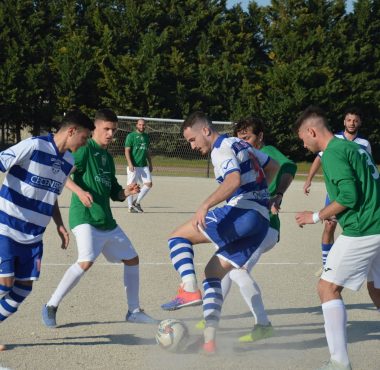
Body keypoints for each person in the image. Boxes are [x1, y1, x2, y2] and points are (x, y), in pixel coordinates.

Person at [161, 111, 279, 354]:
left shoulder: (220, 148)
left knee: (177, 237)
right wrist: (262, 196)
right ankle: (209, 341)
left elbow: (233, 180)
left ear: (205, 131)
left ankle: (189, 289)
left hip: (243, 213)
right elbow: (274, 166)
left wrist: (205, 204)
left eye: (192, 140)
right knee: (213, 272)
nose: (192, 146)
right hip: (261, 221)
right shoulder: (240, 143)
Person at [42, 109, 157, 327]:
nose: (111, 133)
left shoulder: (107, 158)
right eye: (106, 129)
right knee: (86, 260)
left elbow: (115, 193)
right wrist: (78, 191)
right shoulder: (84, 150)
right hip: (84, 217)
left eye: (114, 130)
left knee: (132, 259)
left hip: (106, 220)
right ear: (95, 128)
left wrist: (127, 192)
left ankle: (133, 311)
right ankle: (51, 305)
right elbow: (61, 174)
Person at [295, 106, 380, 370]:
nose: (304, 144)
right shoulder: (355, 149)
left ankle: (339, 362)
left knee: (327, 288)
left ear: (311, 131)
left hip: (364, 229)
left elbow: (348, 197)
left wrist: (316, 216)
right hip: (377, 223)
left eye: (302, 138)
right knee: (376, 288)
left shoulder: (333, 152)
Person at [0, 110, 94, 349]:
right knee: (5, 282)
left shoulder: (68, 161)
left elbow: (51, 194)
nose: (84, 143)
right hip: (7, 227)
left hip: (34, 236)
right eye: (84, 137)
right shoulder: (33, 145)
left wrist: (60, 225)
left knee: (24, 287)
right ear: (72, 131)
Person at [303, 108, 371, 276]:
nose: (352, 123)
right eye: (349, 120)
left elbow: (367, 167)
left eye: (355, 120)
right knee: (329, 224)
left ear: (359, 123)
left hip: (354, 192)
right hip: (338, 192)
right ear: (344, 122)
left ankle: (357, 263)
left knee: (355, 225)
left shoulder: (364, 143)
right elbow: (319, 158)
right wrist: (309, 179)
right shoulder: (334, 139)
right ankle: (327, 264)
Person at [124, 118, 153, 213]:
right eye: (140, 124)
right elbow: (127, 150)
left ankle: (136, 202)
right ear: (136, 125)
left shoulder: (146, 137)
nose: (142, 126)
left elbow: (147, 151)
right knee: (132, 186)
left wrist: (150, 163)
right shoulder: (131, 136)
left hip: (143, 165)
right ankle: (130, 207)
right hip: (134, 165)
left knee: (149, 184)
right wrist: (130, 163)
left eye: (143, 125)